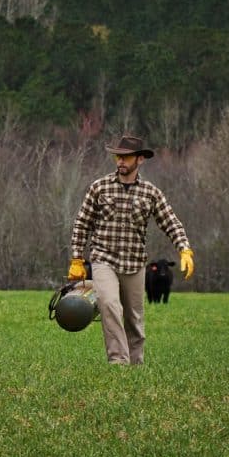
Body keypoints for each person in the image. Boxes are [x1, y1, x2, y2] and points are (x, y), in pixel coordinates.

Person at [68, 135, 194, 365]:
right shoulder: (99, 187)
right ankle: (118, 362)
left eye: (126, 157)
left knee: (134, 319)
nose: (120, 162)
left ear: (140, 159)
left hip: (135, 264)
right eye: (118, 156)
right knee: (109, 305)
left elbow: (171, 222)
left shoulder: (151, 193)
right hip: (103, 259)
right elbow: (81, 223)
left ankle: (136, 365)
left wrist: (184, 250)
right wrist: (77, 258)